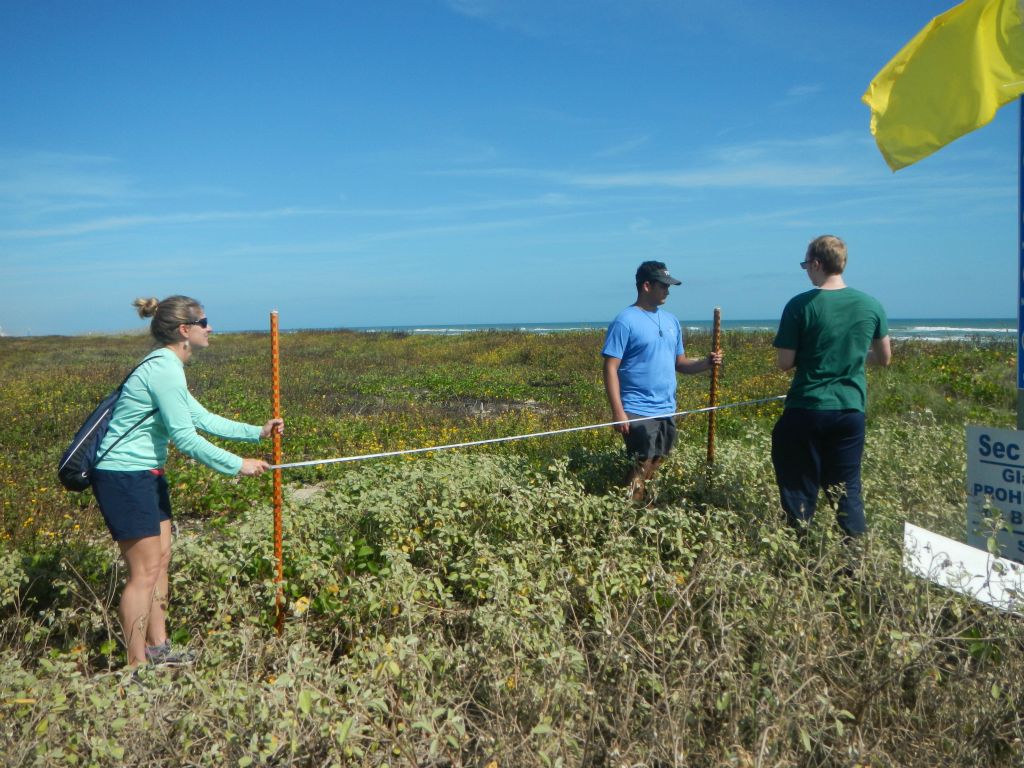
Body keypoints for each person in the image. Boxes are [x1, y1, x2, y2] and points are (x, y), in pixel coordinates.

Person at [92, 295, 284, 667]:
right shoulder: (164, 367)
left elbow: (201, 417)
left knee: (160, 561)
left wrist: (256, 432)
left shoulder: (168, 366)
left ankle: (159, 648)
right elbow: (185, 438)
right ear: (184, 330)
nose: (210, 328)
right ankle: (136, 668)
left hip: (146, 473)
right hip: (124, 476)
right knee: (143, 573)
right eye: (204, 322)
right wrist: (236, 465)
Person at [771, 235, 891, 539]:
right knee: (847, 490)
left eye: (805, 265)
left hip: (807, 408)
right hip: (850, 410)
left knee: (800, 487)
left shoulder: (800, 305)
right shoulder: (871, 304)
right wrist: (848, 357)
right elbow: (884, 358)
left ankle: (799, 552)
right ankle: (855, 562)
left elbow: (785, 362)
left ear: (816, 263)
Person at [602, 261, 723, 502]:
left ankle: (639, 506)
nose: (668, 291)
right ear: (646, 286)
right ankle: (625, 512)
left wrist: (706, 363)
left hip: (666, 408)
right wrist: (618, 412)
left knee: (657, 460)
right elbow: (610, 367)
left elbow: (680, 363)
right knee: (642, 460)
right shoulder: (624, 321)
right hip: (637, 408)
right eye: (663, 286)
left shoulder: (671, 321)